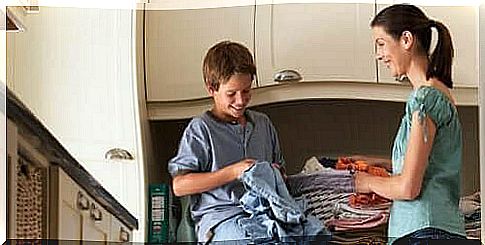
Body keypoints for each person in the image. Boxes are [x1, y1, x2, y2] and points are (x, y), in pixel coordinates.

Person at [353, 4, 466, 244]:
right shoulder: (437, 93)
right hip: (436, 229)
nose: (379, 54)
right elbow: (428, 165)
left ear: (406, 39)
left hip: (424, 231)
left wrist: (367, 182)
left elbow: (408, 188)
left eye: (381, 44)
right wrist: (377, 163)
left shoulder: (424, 98)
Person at [168, 40, 286, 243]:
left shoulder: (263, 124)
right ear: (211, 88)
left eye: (247, 91)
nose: (240, 101)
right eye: (231, 93)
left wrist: (274, 173)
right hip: (223, 220)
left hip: (267, 214)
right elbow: (179, 186)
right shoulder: (201, 129)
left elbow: (282, 175)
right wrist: (233, 172)